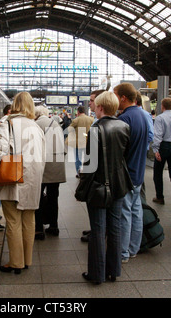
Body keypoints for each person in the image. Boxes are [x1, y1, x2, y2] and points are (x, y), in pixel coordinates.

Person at [0, 91, 45, 274]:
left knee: (13, 221)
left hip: (13, 179)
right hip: (33, 180)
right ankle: (27, 260)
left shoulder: (7, 123)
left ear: (15, 104)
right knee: (29, 220)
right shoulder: (36, 127)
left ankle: (16, 262)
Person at [81, 91, 133, 284]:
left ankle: (96, 274)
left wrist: (82, 187)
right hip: (119, 185)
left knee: (98, 230)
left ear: (101, 107)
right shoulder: (125, 126)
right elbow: (124, 156)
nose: (93, 109)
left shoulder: (96, 129)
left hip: (99, 187)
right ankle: (113, 271)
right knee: (115, 227)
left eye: (95, 106)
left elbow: (90, 164)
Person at [114, 82, 149, 263]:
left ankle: (123, 252)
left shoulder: (124, 120)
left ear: (123, 98)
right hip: (139, 172)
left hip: (126, 174)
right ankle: (134, 248)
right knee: (136, 211)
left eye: (115, 95)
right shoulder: (143, 116)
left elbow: (118, 150)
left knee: (124, 213)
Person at [34, 105, 66, 239]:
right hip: (57, 165)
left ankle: (38, 229)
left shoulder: (36, 125)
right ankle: (54, 226)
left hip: (42, 165)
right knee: (53, 197)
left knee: (38, 198)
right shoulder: (56, 124)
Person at [81, 89, 105, 243]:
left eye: (91, 100)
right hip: (113, 178)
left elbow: (92, 159)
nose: (89, 103)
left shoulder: (98, 125)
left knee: (98, 212)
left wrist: (84, 183)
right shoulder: (120, 124)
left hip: (98, 177)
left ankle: (97, 235)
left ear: (99, 104)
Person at [136, 91, 154, 205]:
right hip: (141, 150)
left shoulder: (143, 114)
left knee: (139, 179)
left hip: (139, 151)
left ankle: (142, 204)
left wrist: (140, 145)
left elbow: (150, 134)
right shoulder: (145, 114)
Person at [67, 106, 94, 177]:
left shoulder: (76, 120)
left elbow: (69, 129)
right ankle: (86, 173)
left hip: (78, 143)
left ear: (78, 112)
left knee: (77, 158)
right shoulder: (91, 119)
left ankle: (79, 173)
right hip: (88, 142)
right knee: (87, 157)